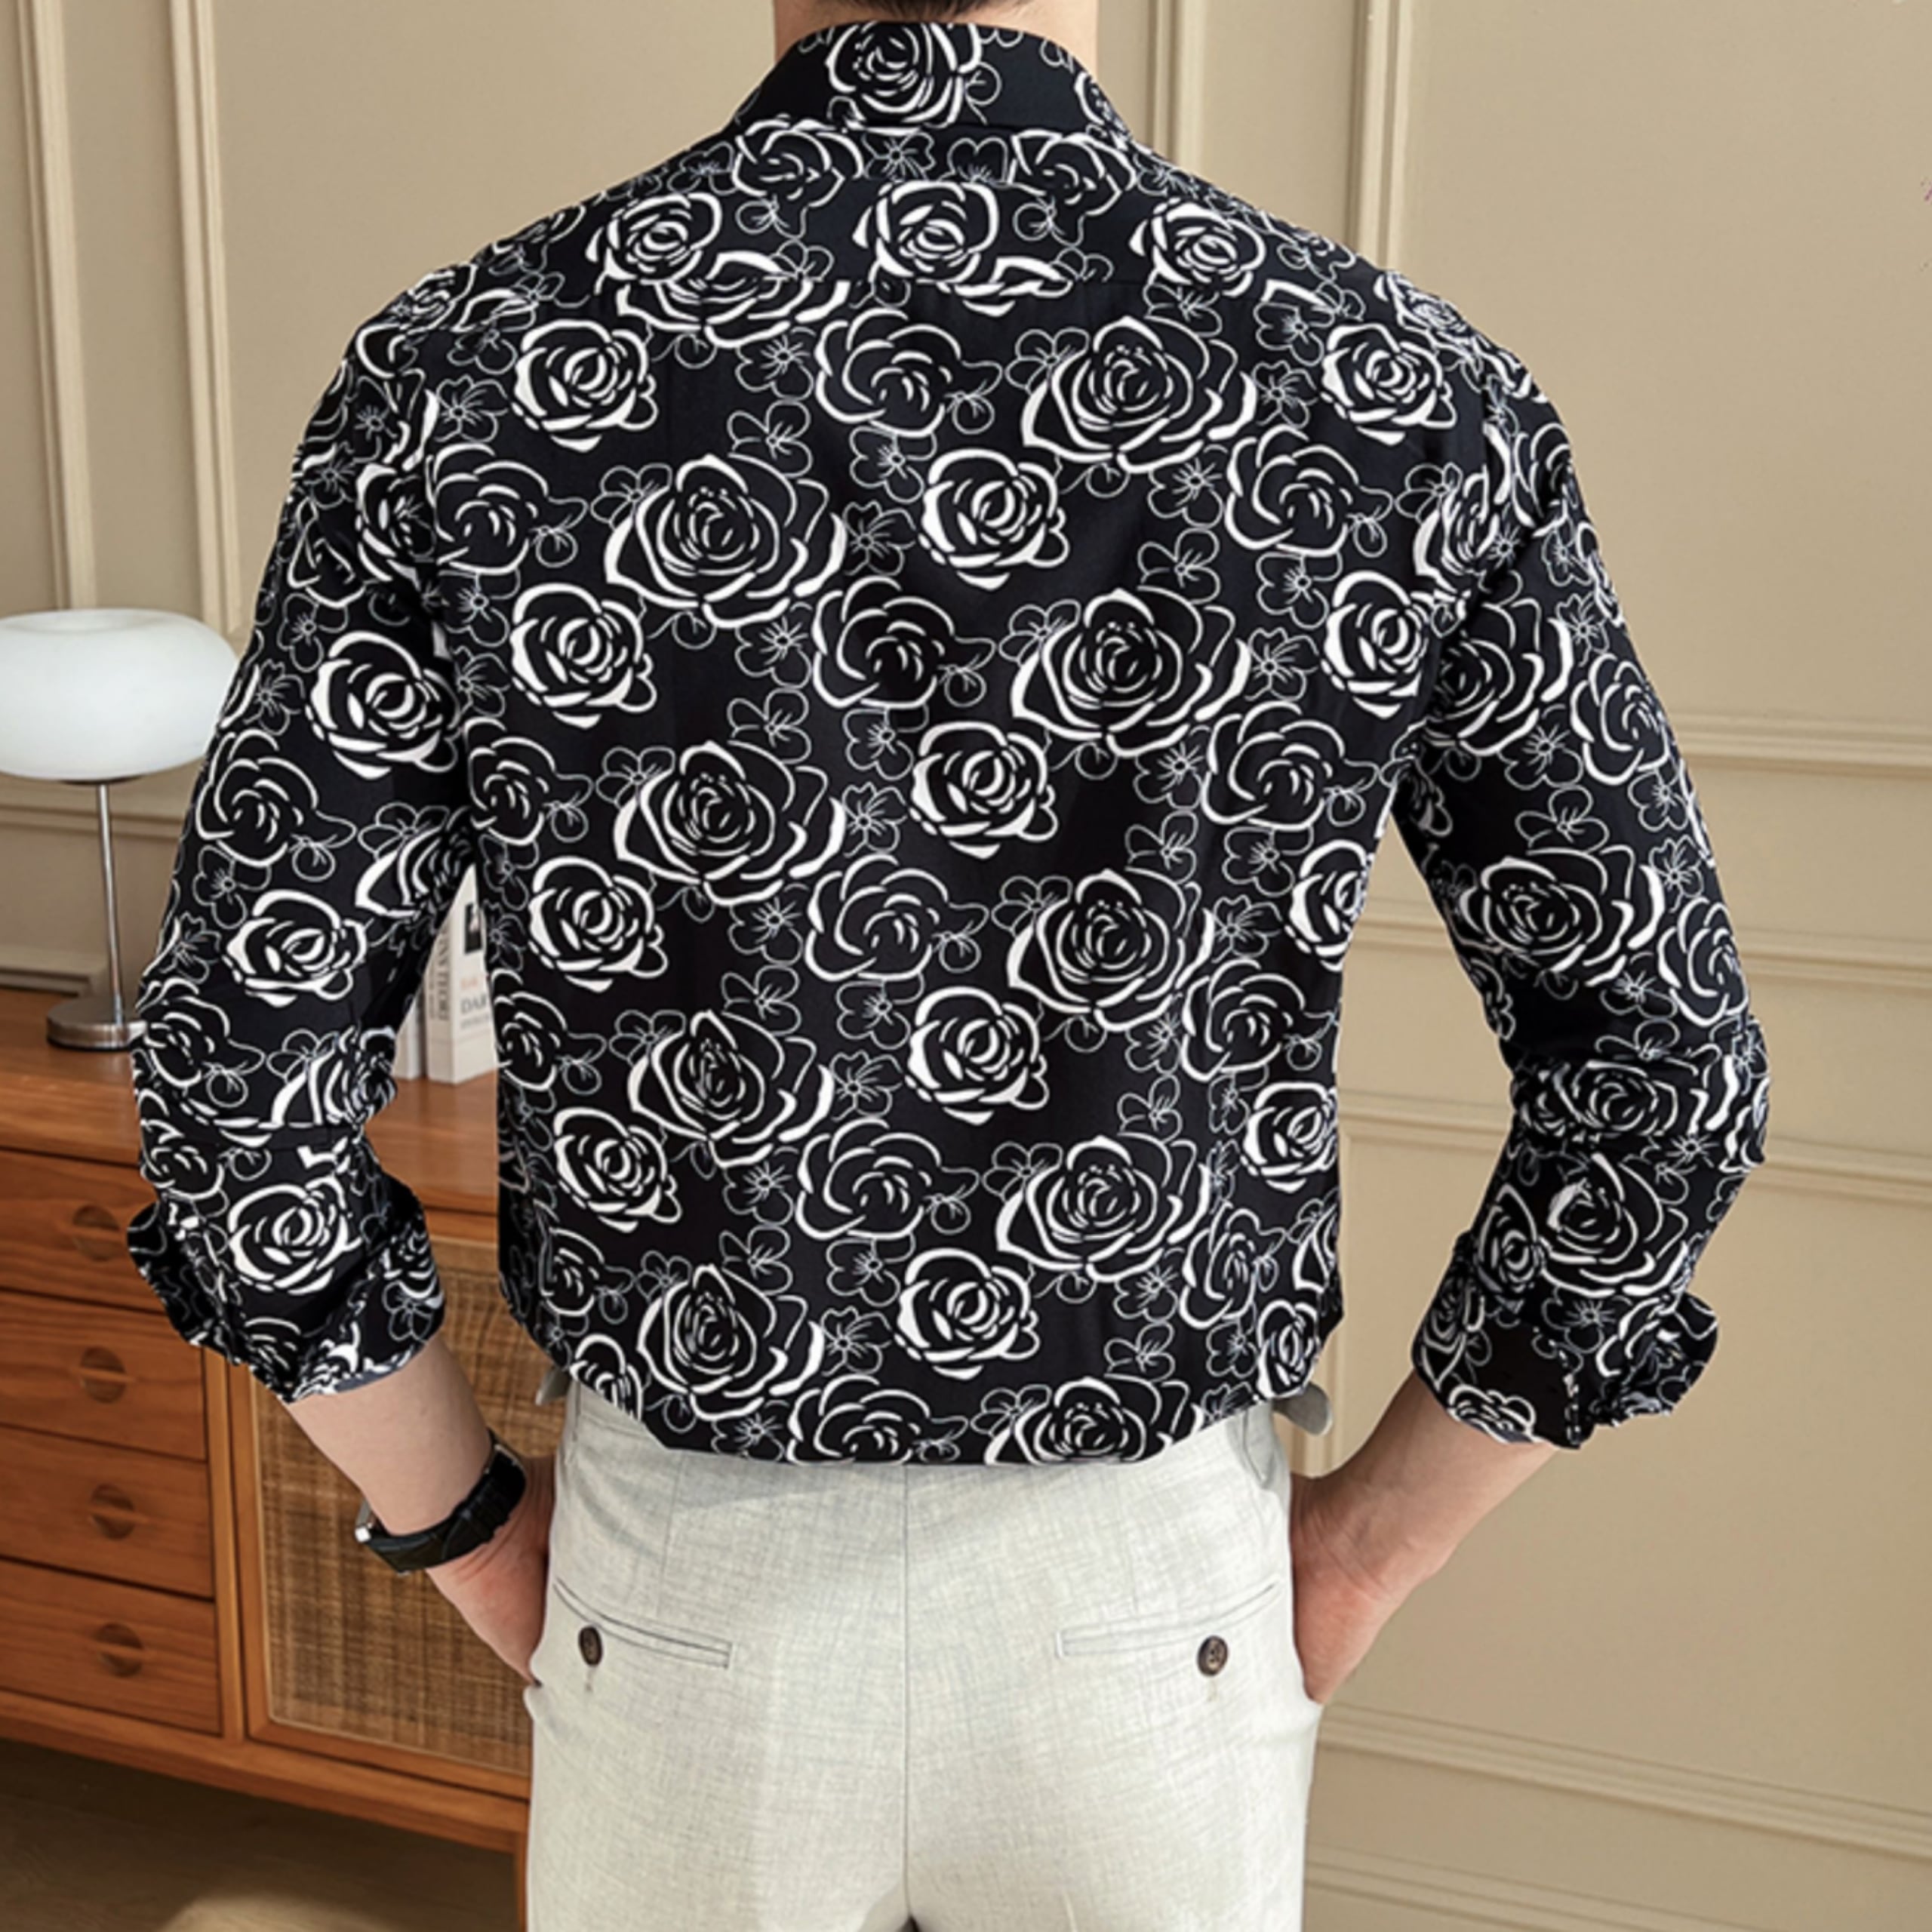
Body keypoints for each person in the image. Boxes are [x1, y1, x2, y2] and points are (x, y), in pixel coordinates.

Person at [122, 1, 1772, 1925]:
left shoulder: (467, 375)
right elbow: (1663, 1074)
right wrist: (1369, 1550)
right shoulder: (1392, 386)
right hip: (1153, 1607)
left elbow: (236, 1090)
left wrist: (473, 1531)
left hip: (687, 1590)